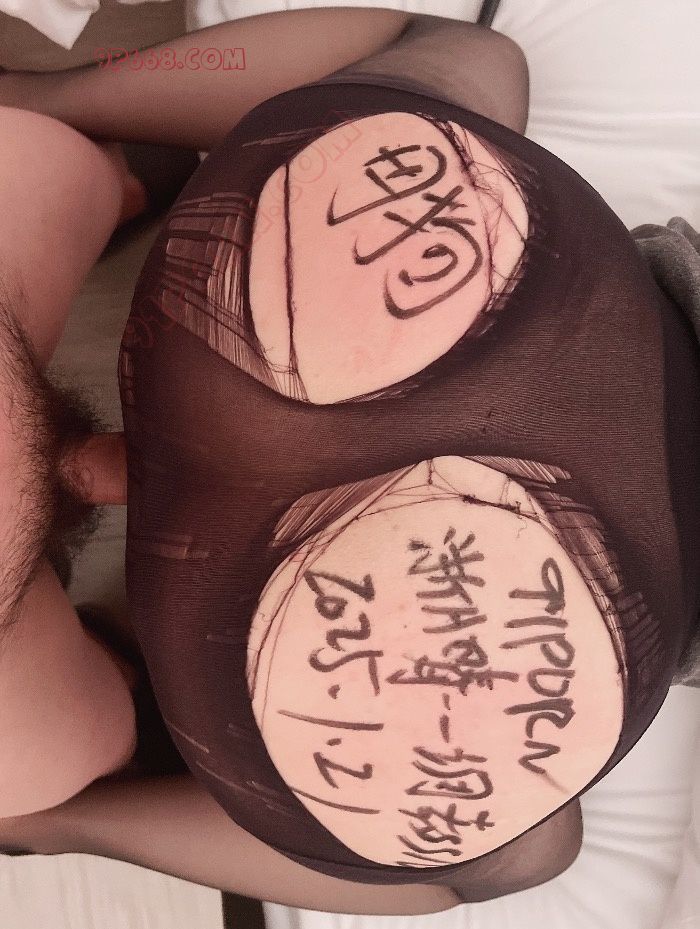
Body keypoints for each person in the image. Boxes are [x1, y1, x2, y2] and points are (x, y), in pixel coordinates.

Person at [1, 8, 699, 916]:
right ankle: (60, 816)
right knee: (517, 853)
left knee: (473, 59)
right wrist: (56, 819)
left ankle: (61, 120)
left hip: (423, 252)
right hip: (350, 716)